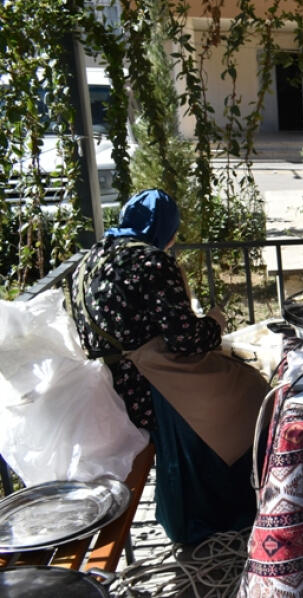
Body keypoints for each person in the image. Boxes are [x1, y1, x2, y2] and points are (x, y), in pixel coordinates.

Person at [69, 189, 258, 544]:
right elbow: (185, 339)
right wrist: (215, 322)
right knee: (248, 394)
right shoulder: (152, 263)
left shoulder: (92, 258)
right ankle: (215, 519)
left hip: (107, 385)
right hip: (149, 387)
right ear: (165, 227)